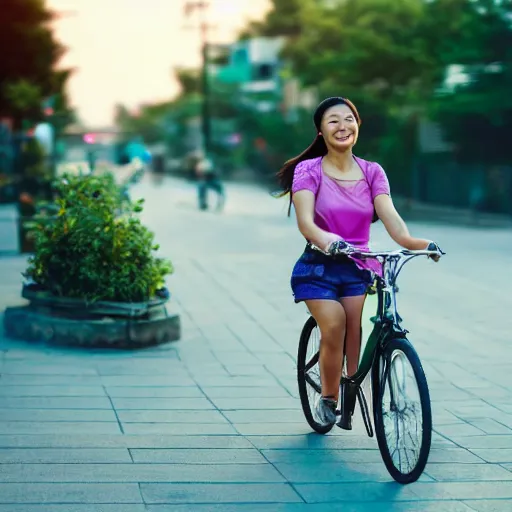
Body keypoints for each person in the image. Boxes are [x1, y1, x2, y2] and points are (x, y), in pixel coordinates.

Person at [277, 97, 442, 428]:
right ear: (321, 131)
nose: (342, 126)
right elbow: (306, 222)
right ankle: (328, 397)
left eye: (349, 119)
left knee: (361, 330)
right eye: (333, 121)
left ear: (358, 125)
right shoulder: (307, 171)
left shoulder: (372, 172)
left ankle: (352, 386)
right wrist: (329, 241)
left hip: (360, 268)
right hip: (319, 267)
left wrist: (421, 244)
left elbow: (394, 224)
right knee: (335, 324)